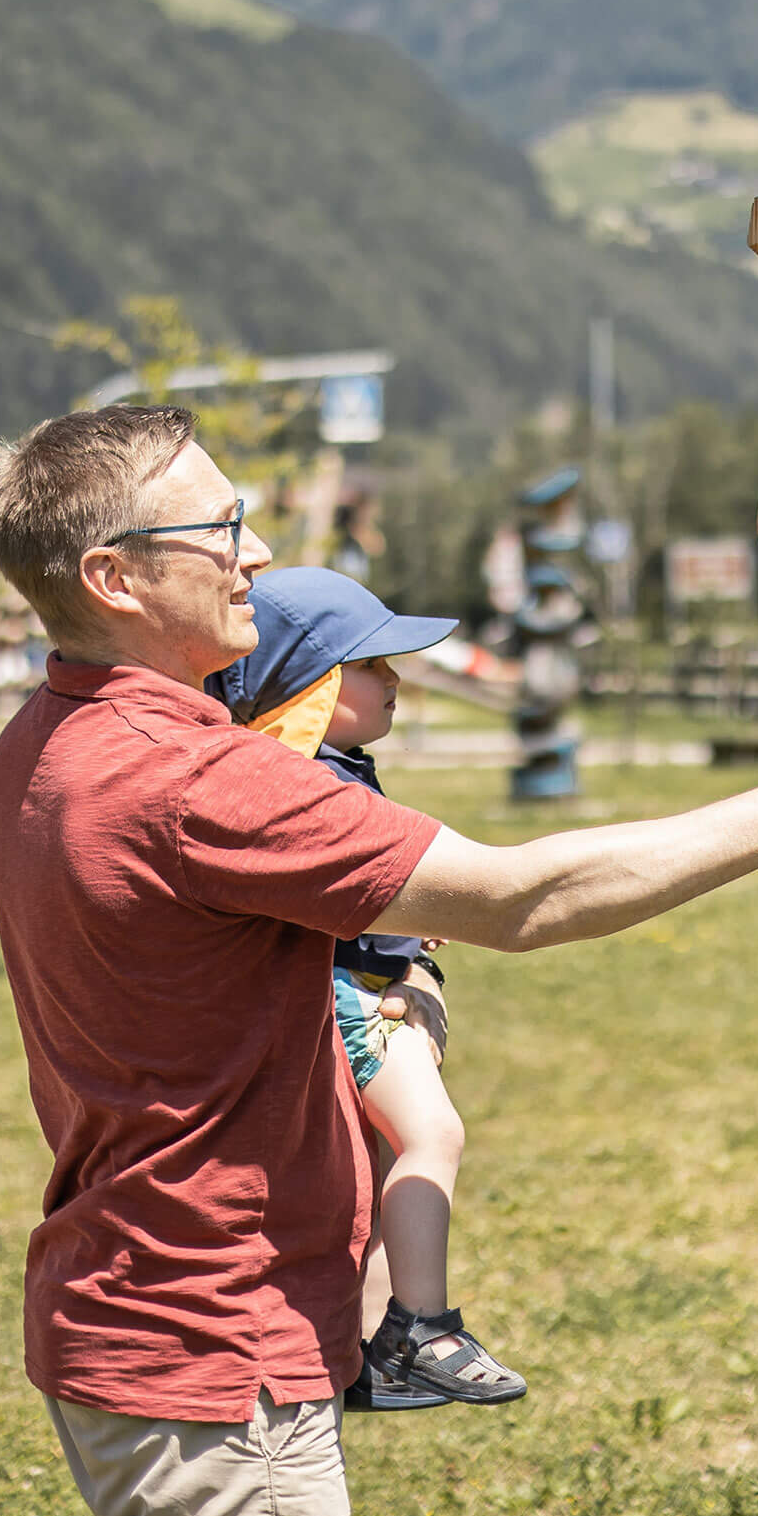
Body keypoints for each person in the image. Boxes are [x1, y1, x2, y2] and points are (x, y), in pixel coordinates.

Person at [0, 405, 758, 1516]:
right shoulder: (199, 781)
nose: (258, 552)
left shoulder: (46, 737)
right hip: (218, 1346)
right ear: (114, 577)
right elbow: (525, 899)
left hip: (122, 1307)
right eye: (222, 525)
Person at [208, 567, 524, 1409]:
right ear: (311, 688)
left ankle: (375, 1342)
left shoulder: (334, 765)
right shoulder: (311, 783)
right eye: (373, 666)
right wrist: (405, 934)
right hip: (351, 993)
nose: (396, 681)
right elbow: (345, 894)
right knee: (434, 1137)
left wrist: (408, 937)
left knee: (387, 1153)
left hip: (368, 976)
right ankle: (424, 1325)